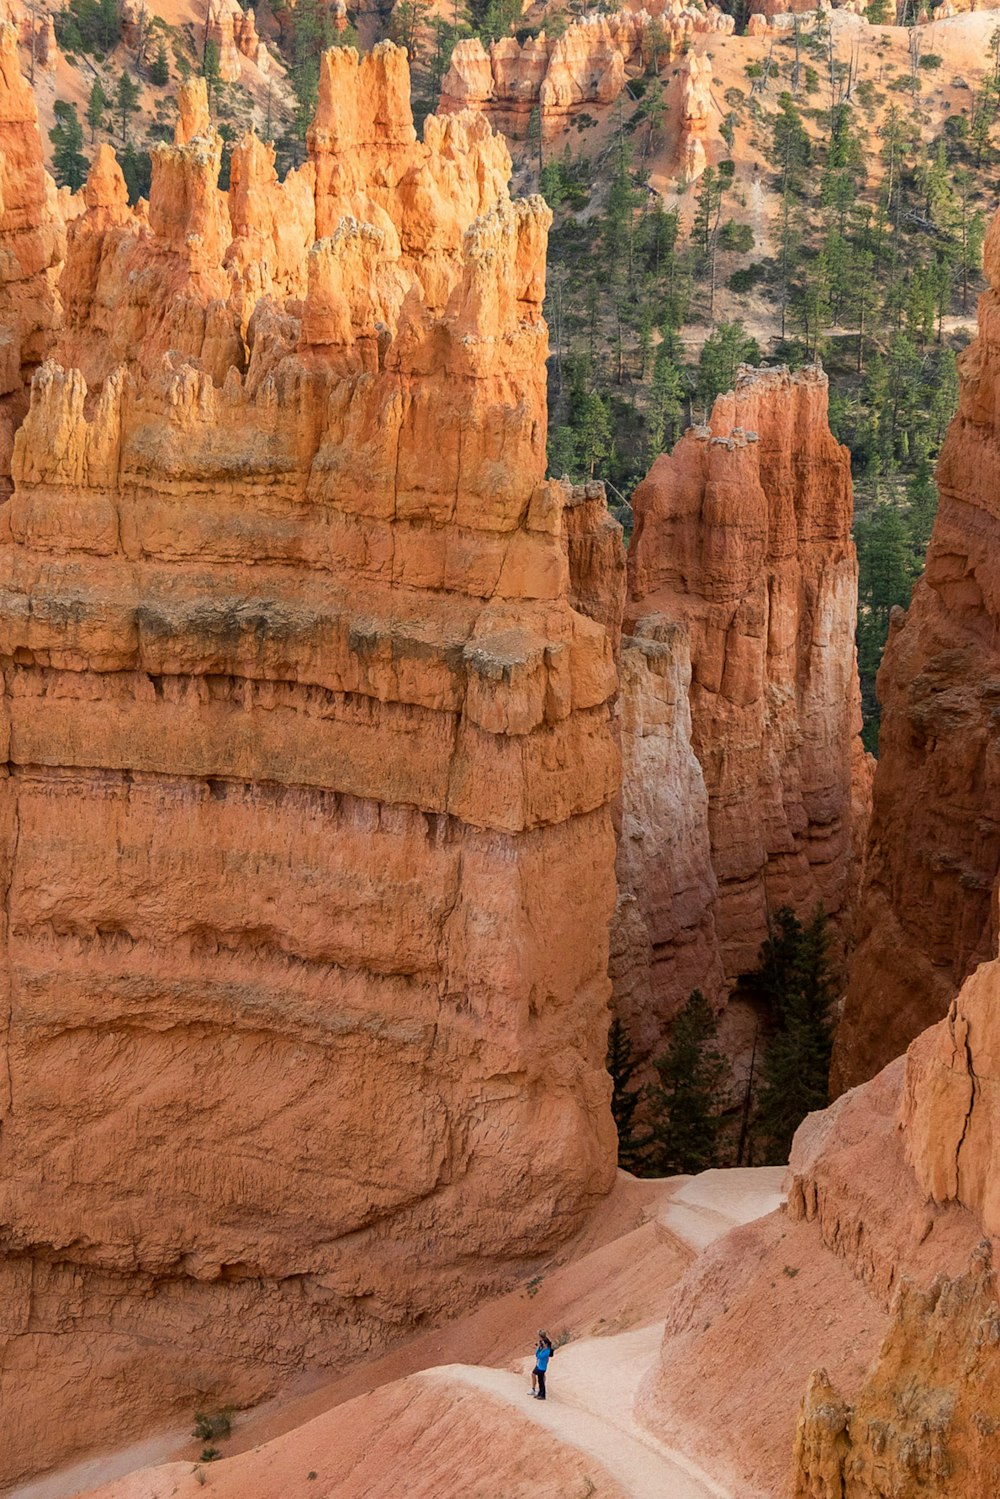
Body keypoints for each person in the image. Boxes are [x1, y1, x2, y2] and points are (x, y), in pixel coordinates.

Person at [529, 1331, 554, 1400]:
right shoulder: (545, 1350)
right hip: (540, 1366)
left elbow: (538, 1356)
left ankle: (542, 1395)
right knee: (540, 1381)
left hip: (542, 1367)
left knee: (541, 1381)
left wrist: (538, 1348)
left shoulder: (546, 1351)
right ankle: (540, 1393)